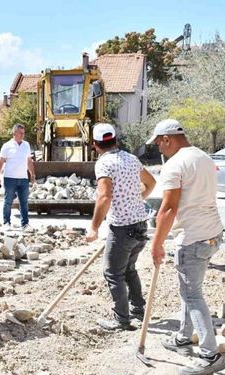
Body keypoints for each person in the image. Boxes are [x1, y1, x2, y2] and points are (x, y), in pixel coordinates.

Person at [148, 119, 225, 375]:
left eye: (158, 142)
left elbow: (168, 209)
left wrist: (157, 244)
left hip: (193, 239)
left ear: (167, 139)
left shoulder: (174, 164)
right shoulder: (202, 156)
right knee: (189, 290)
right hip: (213, 233)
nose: (158, 148)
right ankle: (183, 338)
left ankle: (210, 355)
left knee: (192, 295)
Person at [85, 123, 156, 330]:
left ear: (96, 145)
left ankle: (121, 319)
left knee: (113, 273)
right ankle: (137, 309)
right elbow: (151, 183)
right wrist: (136, 199)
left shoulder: (104, 164)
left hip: (122, 229)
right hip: (140, 226)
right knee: (128, 269)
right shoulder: (131, 159)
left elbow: (104, 196)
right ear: (115, 140)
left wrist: (94, 227)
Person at [0, 124, 35, 230]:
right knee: (8, 201)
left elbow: (29, 160)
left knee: (24, 202)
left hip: (23, 179)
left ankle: (25, 224)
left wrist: (32, 174)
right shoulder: (7, 146)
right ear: (14, 133)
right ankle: (6, 222)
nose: (22, 135)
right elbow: (0, 162)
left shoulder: (26, 145)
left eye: (23, 133)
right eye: (20, 133)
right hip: (10, 178)